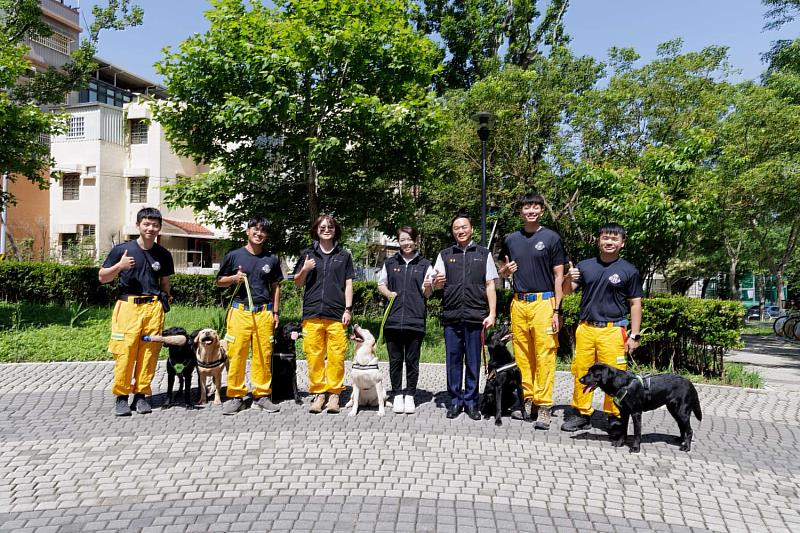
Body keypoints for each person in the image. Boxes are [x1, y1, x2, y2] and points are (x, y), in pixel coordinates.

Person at [561, 222, 643, 433]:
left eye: (614, 238)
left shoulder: (629, 270)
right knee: (582, 371)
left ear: (622, 243)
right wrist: (569, 277)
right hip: (586, 328)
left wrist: (635, 335)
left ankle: (615, 416)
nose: (609, 242)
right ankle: (581, 413)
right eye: (605, 237)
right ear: (598, 240)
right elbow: (567, 291)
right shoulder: (585, 266)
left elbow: (635, 304)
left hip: (613, 330)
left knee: (616, 375)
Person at [498, 193, 566, 430]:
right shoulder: (511, 239)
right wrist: (505, 271)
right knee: (523, 355)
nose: (531, 211)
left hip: (544, 302)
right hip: (519, 303)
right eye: (527, 207)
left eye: (535, 207)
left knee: (544, 355)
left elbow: (559, 277)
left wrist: (557, 310)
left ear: (541, 211)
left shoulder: (551, 238)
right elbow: (502, 269)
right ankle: (528, 400)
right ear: (521, 211)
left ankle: (544, 405)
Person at [99, 207, 174, 416]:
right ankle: (122, 397)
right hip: (128, 307)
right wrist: (120, 266)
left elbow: (165, 282)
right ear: (138, 225)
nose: (150, 228)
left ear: (159, 228)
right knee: (125, 352)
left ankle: (141, 395)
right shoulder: (122, 250)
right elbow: (103, 277)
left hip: (153, 308)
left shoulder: (163, 254)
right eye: (146, 224)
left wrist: (166, 297)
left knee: (149, 353)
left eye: (155, 225)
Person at [433, 214, 498, 420]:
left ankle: (471, 401)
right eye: (456, 228)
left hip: (475, 316)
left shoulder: (484, 254)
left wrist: (492, 313)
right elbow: (436, 284)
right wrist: (437, 282)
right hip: (452, 317)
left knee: (473, 361)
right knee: (453, 361)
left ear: (471, 229)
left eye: (464, 227)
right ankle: (455, 400)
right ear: (453, 232)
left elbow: (490, 285)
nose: (460, 231)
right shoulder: (445, 255)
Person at [216, 216, 283, 415]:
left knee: (263, 355)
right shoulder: (234, 256)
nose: (258, 233)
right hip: (239, 312)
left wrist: (275, 312)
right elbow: (219, 281)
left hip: (264, 313)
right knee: (236, 354)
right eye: (255, 229)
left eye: (263, 231)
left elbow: (276, 287)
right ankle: (236, 396)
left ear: (266, 235)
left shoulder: (271, 259)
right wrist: (233, 278)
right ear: (247, 231)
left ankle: (261, 395)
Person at [293, 214, 354, 414]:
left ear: (335, 230)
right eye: (322, 227)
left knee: (337, 356)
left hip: (336, 314)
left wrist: (348, 309)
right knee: (314, 357)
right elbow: (297, 282)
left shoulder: (344, 255)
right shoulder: (307, 254)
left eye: (330, 227)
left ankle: (334, 394)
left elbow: (348, 284)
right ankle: (319, 393)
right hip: (312, 313)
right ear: (316, 230)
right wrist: (305, 269)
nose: (326, 230)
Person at [377, 226, 434, 415]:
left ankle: (410, 394)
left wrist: (428, 286)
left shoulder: (425, 264)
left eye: (409, 239)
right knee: (395, 360)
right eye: (403, 240)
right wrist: (388, 294)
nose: (406, 243)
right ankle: (397, 394)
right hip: (393, 320)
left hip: (415, 320)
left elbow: (427, 293)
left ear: (415, 241)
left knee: (412, 360)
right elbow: (381, 284)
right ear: (398, 242)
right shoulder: (390, 263)